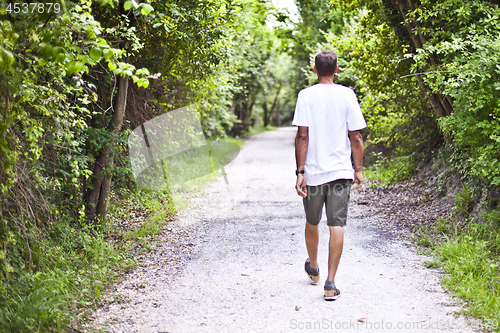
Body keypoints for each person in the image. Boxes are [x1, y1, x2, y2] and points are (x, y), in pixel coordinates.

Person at [292, 50, 366, 301]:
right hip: (340, 172)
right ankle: (330, 284)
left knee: (312, 221)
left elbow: (302, 136)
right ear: (336, 70)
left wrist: (300, 172)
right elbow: (355, 137)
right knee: (337, 225)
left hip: (313, 173)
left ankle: (313, 269)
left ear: (315, 70)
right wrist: (358, 169)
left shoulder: (306, 95)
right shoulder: (347, 95)